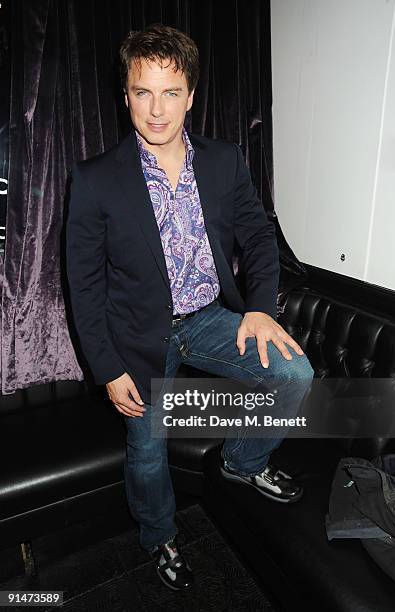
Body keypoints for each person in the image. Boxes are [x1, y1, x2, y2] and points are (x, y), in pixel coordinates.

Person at [66, 23, 314, 592]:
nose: (157, 110)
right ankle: (161, 538)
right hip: (138, 339)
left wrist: (258, 308)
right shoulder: (95, 179)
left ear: (191, 96)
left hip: (206, 319)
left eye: (171, 92)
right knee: (148, 454)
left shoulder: (225, 161)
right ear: (125, 95)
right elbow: (83, 285)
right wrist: (107, 368)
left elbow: (257, 237)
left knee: (295, 374)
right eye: (143, 92)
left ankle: (242, 465)